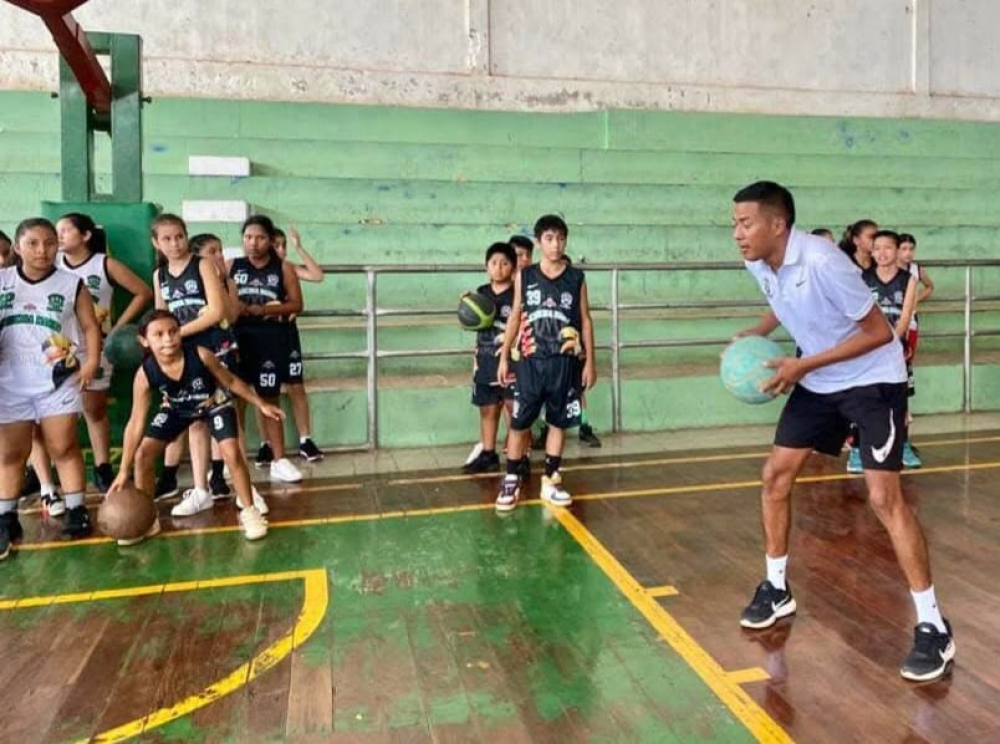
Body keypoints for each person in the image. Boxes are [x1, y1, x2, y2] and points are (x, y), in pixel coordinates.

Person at [732, 181, 954, 682]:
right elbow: (783, 300)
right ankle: (777, 588)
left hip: (874, 379)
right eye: (734, 224)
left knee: (884, 498)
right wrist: (759, 333)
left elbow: (877, 333)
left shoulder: (824, 261)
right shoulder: (757, 261)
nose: (737, 234)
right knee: (775, 477)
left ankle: (933, 624)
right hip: (818, 377)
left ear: (777, 225)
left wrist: (802, 364)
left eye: (745, 224)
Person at [109, 310, 275, 544]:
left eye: (173, 332)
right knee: (143, 455)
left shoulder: (201, 354)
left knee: (231, 451)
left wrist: (261, 403)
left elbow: (230, 381)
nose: (168, 339)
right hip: (178, 410)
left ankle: (250, 512)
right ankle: (146, 519)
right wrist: (123, 469)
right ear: (144, 341)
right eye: (158, 334)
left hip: (213, 403)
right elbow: (136, 422)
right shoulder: (145, 374)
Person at [0, 218, 102, 559]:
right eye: (33, 243)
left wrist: (90, 363)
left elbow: (89, 326)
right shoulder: (3, 281)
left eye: (49, 243)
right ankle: (6, 517)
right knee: (11, 453)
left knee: (63, 446)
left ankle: (76, 509)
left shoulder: (71, 284)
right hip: (9, 381)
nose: (42, 250)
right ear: (17, 247)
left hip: (56, 376)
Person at [38, 213, 152, 494]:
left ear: (86, 235)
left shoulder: (104, 264)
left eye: (66, 230)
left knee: (94, 408)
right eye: (57, 230)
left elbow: (143, 292)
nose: (59, 235)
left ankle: (102, 468)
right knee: (46, 412)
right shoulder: (50, 265)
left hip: (95, 345)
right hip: (56, 346)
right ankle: (43, 477)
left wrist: (118, 327)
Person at [495, 214, 596, 512]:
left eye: (561, 238)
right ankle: (511, 479)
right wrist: (503, 356)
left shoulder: (576, 277)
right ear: (539, 243)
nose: (556, 245)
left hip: (563, 362)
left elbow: (586, 321)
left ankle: (551, 479)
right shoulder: (525, 276)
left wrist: (590, 361)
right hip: (529, 362)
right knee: (519, 422)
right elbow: (514, 316)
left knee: (558, 422)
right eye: (549, 239)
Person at [151, 214, 229, 513]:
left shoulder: (203, 265)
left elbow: (216, 311)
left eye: (179, 236)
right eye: (167, 238)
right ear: (156, 242)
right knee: (194, 419)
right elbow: (160, 316)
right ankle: (200, 489)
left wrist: (174, 334)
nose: (175, 243)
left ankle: (240, 485)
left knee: (223, 415)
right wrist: (163, 341)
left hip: (213, 347)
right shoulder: (159, 275)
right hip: (181, 355)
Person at [229, 215, 304, 483]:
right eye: (248, 237)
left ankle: (279, 460)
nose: (253, 243)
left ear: (270, 241)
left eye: (260, 238)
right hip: (237, 340)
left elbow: (297, 305)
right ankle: (232, 458)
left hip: (270, 340)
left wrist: (262, 309)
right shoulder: (232, 266)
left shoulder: (282, 269)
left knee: (269, 398)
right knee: (234, 400)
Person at [850, 230, 919, 472]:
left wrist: (890, 342)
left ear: (897, 250)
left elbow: (905, 317)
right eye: (877, 247)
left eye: (887, 247)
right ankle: (857, 450)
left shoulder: (908, 279)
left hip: (894, 348)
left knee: (898, 400)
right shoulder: (862, 278)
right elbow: (856, 315)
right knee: (862, 398)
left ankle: (901, 447)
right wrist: (870, 343)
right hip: (867, 347)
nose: (882, 253)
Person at [256, 225, 323, 463]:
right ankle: (266, 444)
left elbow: (317, 275)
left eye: (283, 245)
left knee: (296, 385)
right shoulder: (253, 271)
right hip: (262, 336)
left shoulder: (288, 269)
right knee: (263, 391)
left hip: (287, 334)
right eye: (276, 245)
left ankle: (306, 439)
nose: (281, 249)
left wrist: (299, 247)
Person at [463, 242, 517, 474]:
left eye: (504, 263)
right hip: (484, 359)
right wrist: (465, 307)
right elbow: (474, 324)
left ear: (513, 268)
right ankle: (488, 453)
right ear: (486, 267)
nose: (499, 268)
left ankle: (519, 456)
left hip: (511, 361)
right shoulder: (481, 293)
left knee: (513, 407)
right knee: (487, 408)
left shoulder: (517, 293)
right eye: (494, 263)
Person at [897, 232, 933, 465]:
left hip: (909, 325)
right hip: (890, 327)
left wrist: (915, 300)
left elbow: (930, 286)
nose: (908, 253)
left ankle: (904, 436)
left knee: (905, 371)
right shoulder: (885, 270)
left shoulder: (915, 270)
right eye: (904, 248)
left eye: (911, 248)